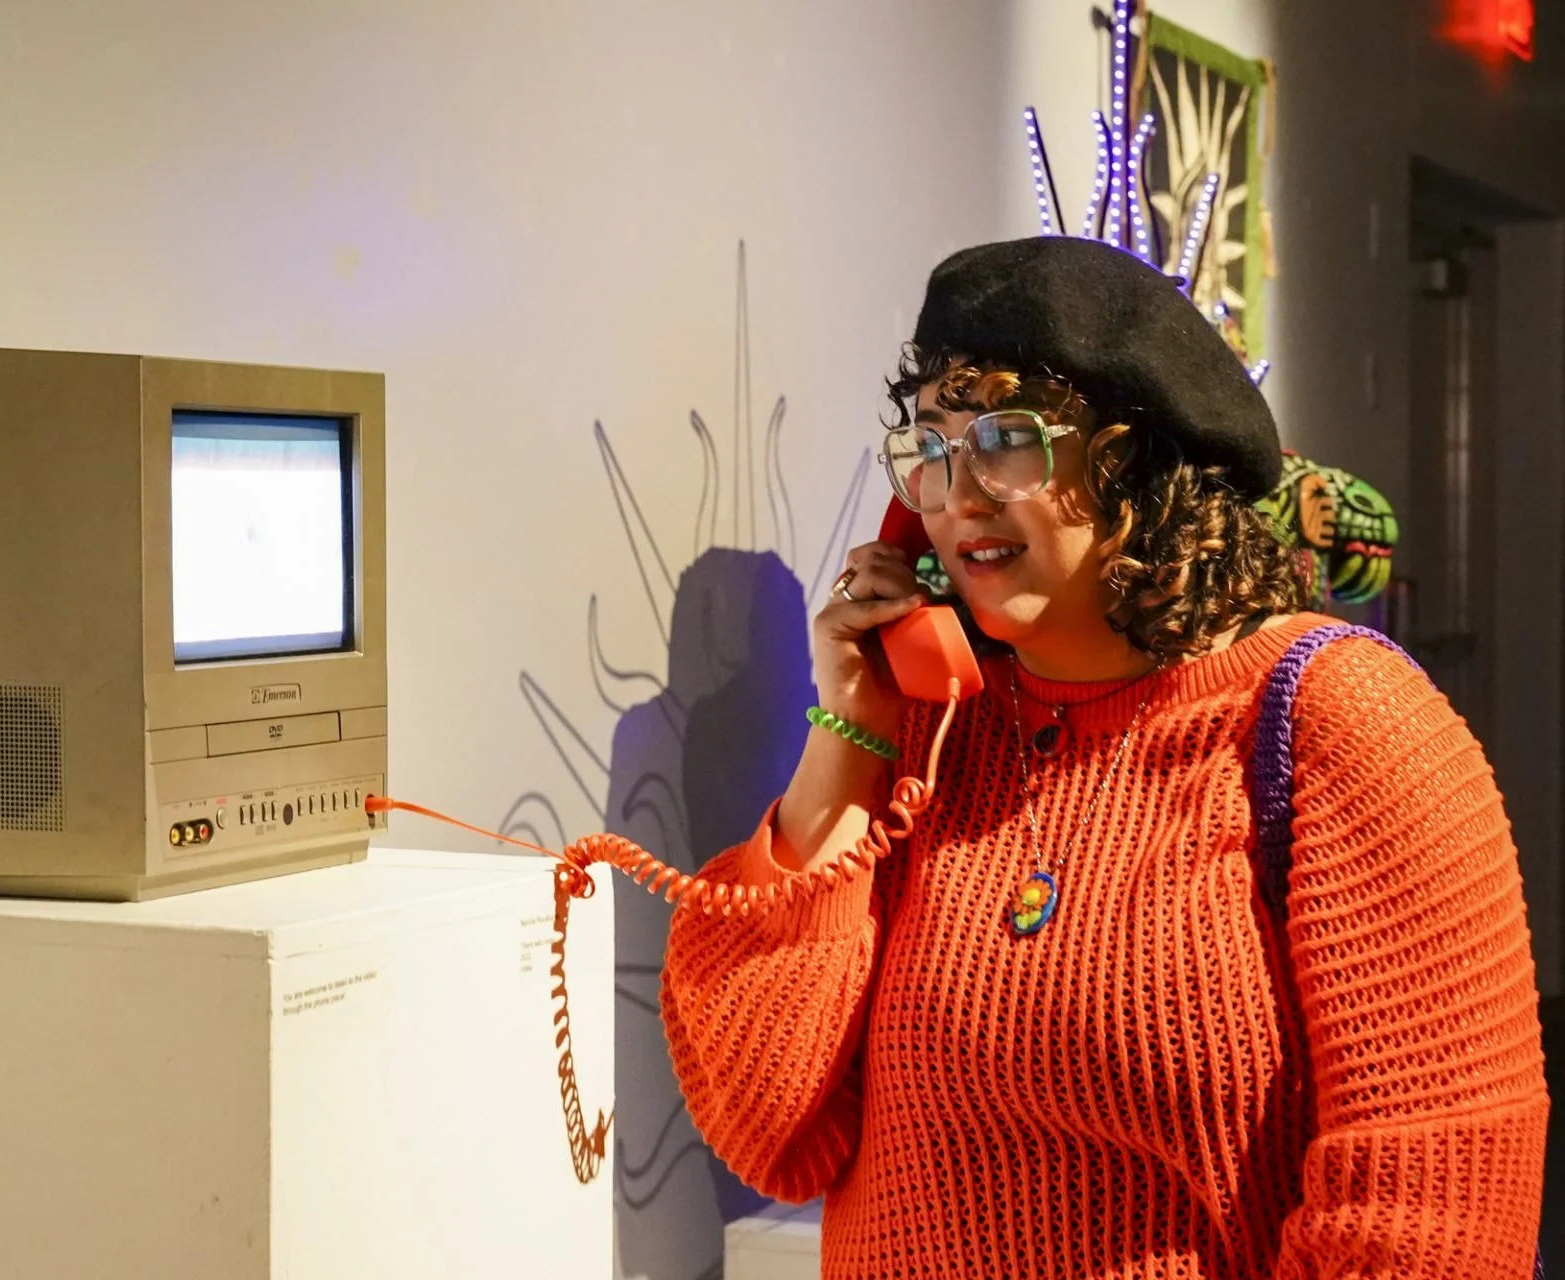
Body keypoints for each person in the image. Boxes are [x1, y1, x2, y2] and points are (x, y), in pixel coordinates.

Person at [659, 236, 1549, 1279]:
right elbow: (766, 1122)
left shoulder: (1339, 718)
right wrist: (847, 730)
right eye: (930, 451)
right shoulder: (937, 734)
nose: (956, 495)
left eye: (1005, 439)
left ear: (1137, 458)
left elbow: (1431, 1224)